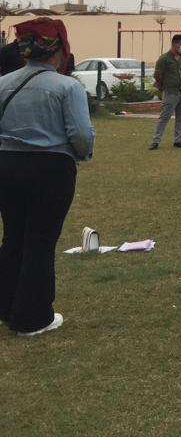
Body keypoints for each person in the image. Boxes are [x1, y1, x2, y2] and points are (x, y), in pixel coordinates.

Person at [0, 18, 95, 336]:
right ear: (59, 50)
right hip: (50, 168)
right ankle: (32, 317)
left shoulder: (3, 83)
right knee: (40, 241)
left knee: (13, 237)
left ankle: (6, 306)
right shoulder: (68, 87)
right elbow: (81, 134)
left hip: (6, 165)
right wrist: (81, 154)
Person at [149, 33, 181, 149]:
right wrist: (164, 85)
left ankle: (178, 140)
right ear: (174, 44)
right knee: (164, 117)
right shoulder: (164, 59)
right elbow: (157, 75)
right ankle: (155, 141)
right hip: (171, 92)